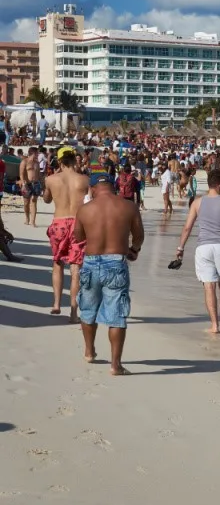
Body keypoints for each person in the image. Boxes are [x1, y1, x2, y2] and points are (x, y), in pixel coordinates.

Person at [73, 172, 144, 375]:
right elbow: (139, 236)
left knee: (88, 310)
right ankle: (115, 365)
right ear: (113, 187)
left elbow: (78, 237)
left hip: (91, 262)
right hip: (116, 262)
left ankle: (89, 351)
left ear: (93, 188)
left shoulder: (85, 209)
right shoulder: (128, 206)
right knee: (116, 316)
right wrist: (134, 250)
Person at [175, 169, 220, 334]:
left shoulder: (197, 203)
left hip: (203, 248)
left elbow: (187, 228)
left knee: (209, 286)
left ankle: (214, 325)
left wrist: (180, 248)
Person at [42, 147, 90, 320]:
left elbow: (46, 199)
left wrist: (50, 184)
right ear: (75, 160)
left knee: (57, 263)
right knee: (75, 267)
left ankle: (56, 304)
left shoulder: (51, 179)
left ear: (60, 161)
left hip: (59, 223)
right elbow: (89, 203)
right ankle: (73, 312)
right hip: (78, 224)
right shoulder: (84, 180)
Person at [21, 146, 42, 227]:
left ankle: (33, 222)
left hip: (36, 183)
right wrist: (23, 184)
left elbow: (39, 174)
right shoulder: (24, 162)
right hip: (27, 184)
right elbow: (21, 174)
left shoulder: (37, 162)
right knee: (26, 203)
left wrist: (42, 184)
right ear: (33, 153)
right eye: (37, 153)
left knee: (34, 201)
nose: (38, 154)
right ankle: (27, 219)